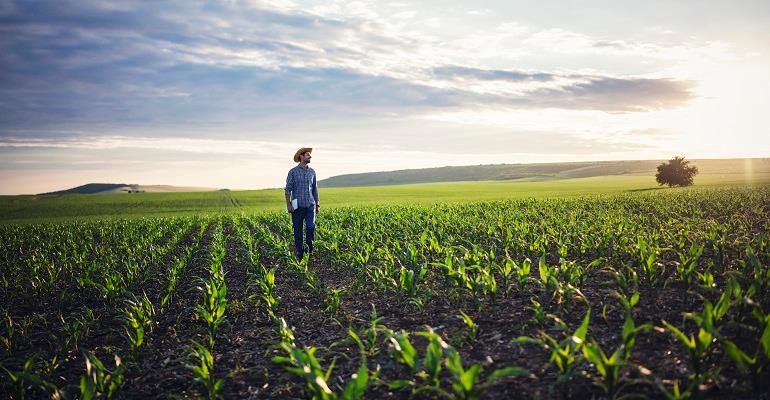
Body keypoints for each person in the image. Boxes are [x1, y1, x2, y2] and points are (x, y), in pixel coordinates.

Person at [285, 147, 319, 260]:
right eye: (308, 155)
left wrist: (317, 204)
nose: (310, 156)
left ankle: (309, 250)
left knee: (310, 227)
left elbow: (314, 189)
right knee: (298, 231)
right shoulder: (293, 172)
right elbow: (288, 189)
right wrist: (289, 204)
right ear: (301, 156)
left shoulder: (312, 172)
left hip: (310, 205)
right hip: (297, 207)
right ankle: (299, 253)